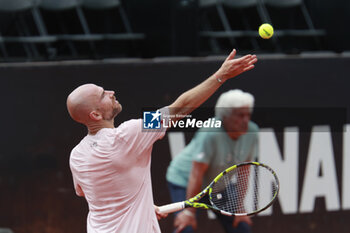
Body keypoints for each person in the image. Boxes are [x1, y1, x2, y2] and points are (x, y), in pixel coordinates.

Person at [66, 49, 257, 233]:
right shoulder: (128, 135)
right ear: (96, 114)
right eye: (102, 95)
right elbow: (179, 108)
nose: (110, 92)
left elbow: (94, 194)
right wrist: (221, 75)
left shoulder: (77, 155)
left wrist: (143, 208)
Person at [166, 89, 259, 233]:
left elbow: (245, 171)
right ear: (225, 116)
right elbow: (196, 174)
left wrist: (239, 207)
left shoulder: (252, 132)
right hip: (185, 181)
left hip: (217, 186)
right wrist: (189, 212)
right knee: (185, 227)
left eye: (248, 115)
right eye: (240, 115)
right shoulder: (210, 133)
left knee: (241, 228)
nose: (245, 120)